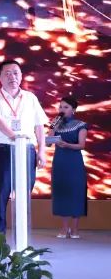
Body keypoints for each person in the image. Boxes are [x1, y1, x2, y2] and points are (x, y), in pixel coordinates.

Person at [0, 59, 47, 236]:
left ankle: (22, 238)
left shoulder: (30, 98)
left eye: (16, 73)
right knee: (0, 195)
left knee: (24, 195)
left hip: (26, 150)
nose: (13, 77)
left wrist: (41, 151)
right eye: (8, 73)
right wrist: (14, 137)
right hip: (2, 150)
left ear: (21, 76)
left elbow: (39, 125)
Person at [49, 95, 87, 239]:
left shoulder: (80, 125)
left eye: (66, 107)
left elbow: (81, 145)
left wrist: (67, 145)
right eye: (60, 107)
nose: (62, 109)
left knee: (76, 193)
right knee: (62, 192)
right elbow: (48, 142)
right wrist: (53, 127)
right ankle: (64, 228)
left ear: (73, 109)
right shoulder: (56, 123)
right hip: (59, 162)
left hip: (74, 162)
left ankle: (75, 229)